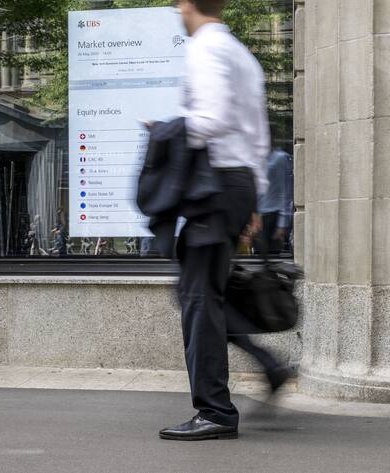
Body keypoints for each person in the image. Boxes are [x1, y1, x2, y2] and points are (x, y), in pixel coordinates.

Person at [158, 0, 290, 441]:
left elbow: (211, 119)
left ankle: (214, 411)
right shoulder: (241, 54)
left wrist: (162, 130)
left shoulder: (206, 47)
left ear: (187, 4)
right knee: (202, 294)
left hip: (213, 187)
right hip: (235, 185)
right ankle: (268, 365)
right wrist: (253, 198)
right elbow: (258, 135)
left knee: (197, 297)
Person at [257, 148, 294, 255]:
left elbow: (286, 191)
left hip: (273, 216)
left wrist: (282, 223)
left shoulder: (280, 158)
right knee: (259, 257)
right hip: (259, 218)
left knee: (272, 258)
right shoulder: (257, 157)